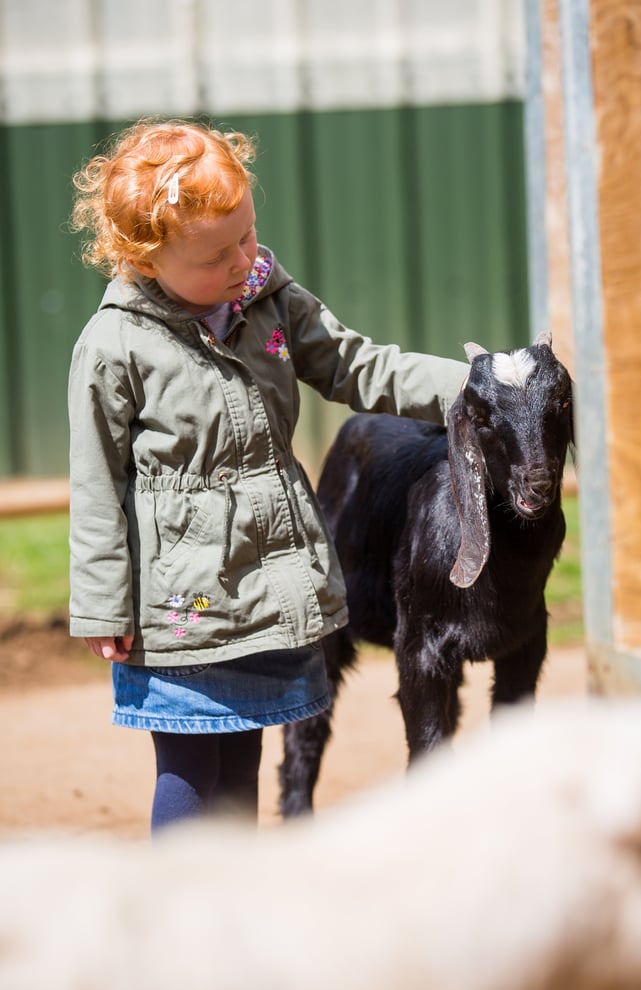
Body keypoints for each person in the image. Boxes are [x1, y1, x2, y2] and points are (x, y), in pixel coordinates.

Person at [68, 118, 468, 833]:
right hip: (181, 606)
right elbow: (97, 481)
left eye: (248, 234)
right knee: (192, 763)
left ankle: (228, 908)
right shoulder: (114, 346)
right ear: (144, 256)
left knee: (245, 750)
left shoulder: (268, 298)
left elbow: (356, 364)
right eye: (217, 253)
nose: (242, 259)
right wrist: (102, 602)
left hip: (263, 588)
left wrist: (472, 389)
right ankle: (184, 917)